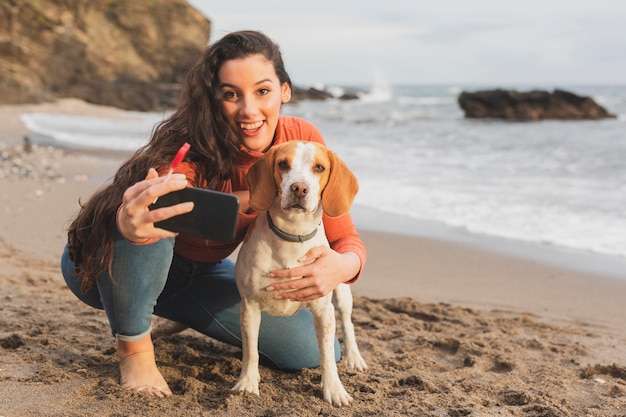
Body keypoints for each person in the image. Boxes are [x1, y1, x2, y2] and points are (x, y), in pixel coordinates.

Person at [60, 30, 366, 398]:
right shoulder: (188, 146)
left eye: (263, 91)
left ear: (285, 91)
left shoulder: (300, 143)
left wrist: (341, 267)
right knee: (159, 214)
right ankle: (135, 350)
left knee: (310, 352)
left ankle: (175, 308)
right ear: (215, 98)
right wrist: (131, 222)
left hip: (200, 275)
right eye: (231, 94)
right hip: (106, 269)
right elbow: (140, 214)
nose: (249, 110)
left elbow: (344, 235)